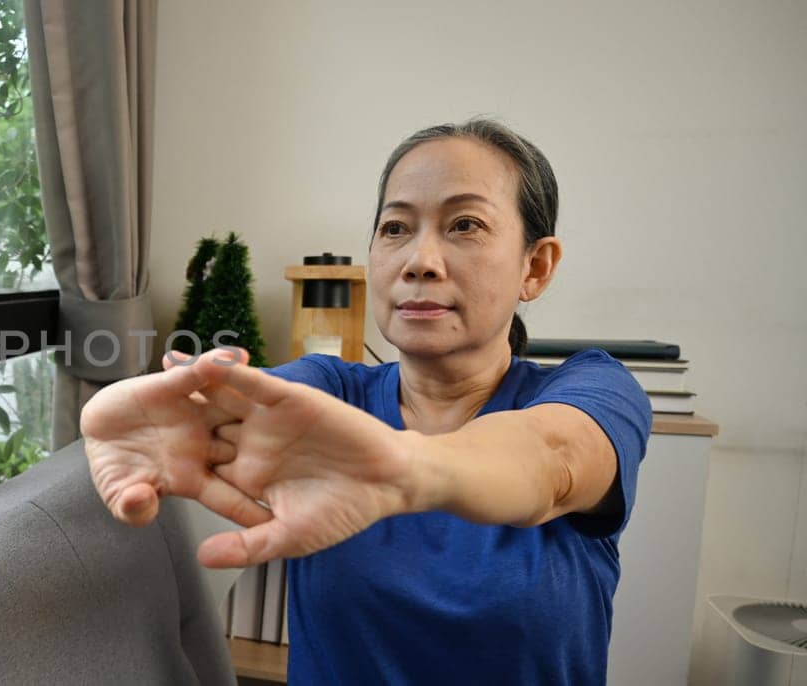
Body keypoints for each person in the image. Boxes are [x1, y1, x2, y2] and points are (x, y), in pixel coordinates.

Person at [80, 118, 652, 685]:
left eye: (466, 225)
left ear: (536, 266)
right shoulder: (329, 392)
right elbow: (234, 410)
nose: (419, 260)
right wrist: (163, 420)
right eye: (396, 227)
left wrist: (406, 469)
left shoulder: (594, 390)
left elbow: (550, 457)